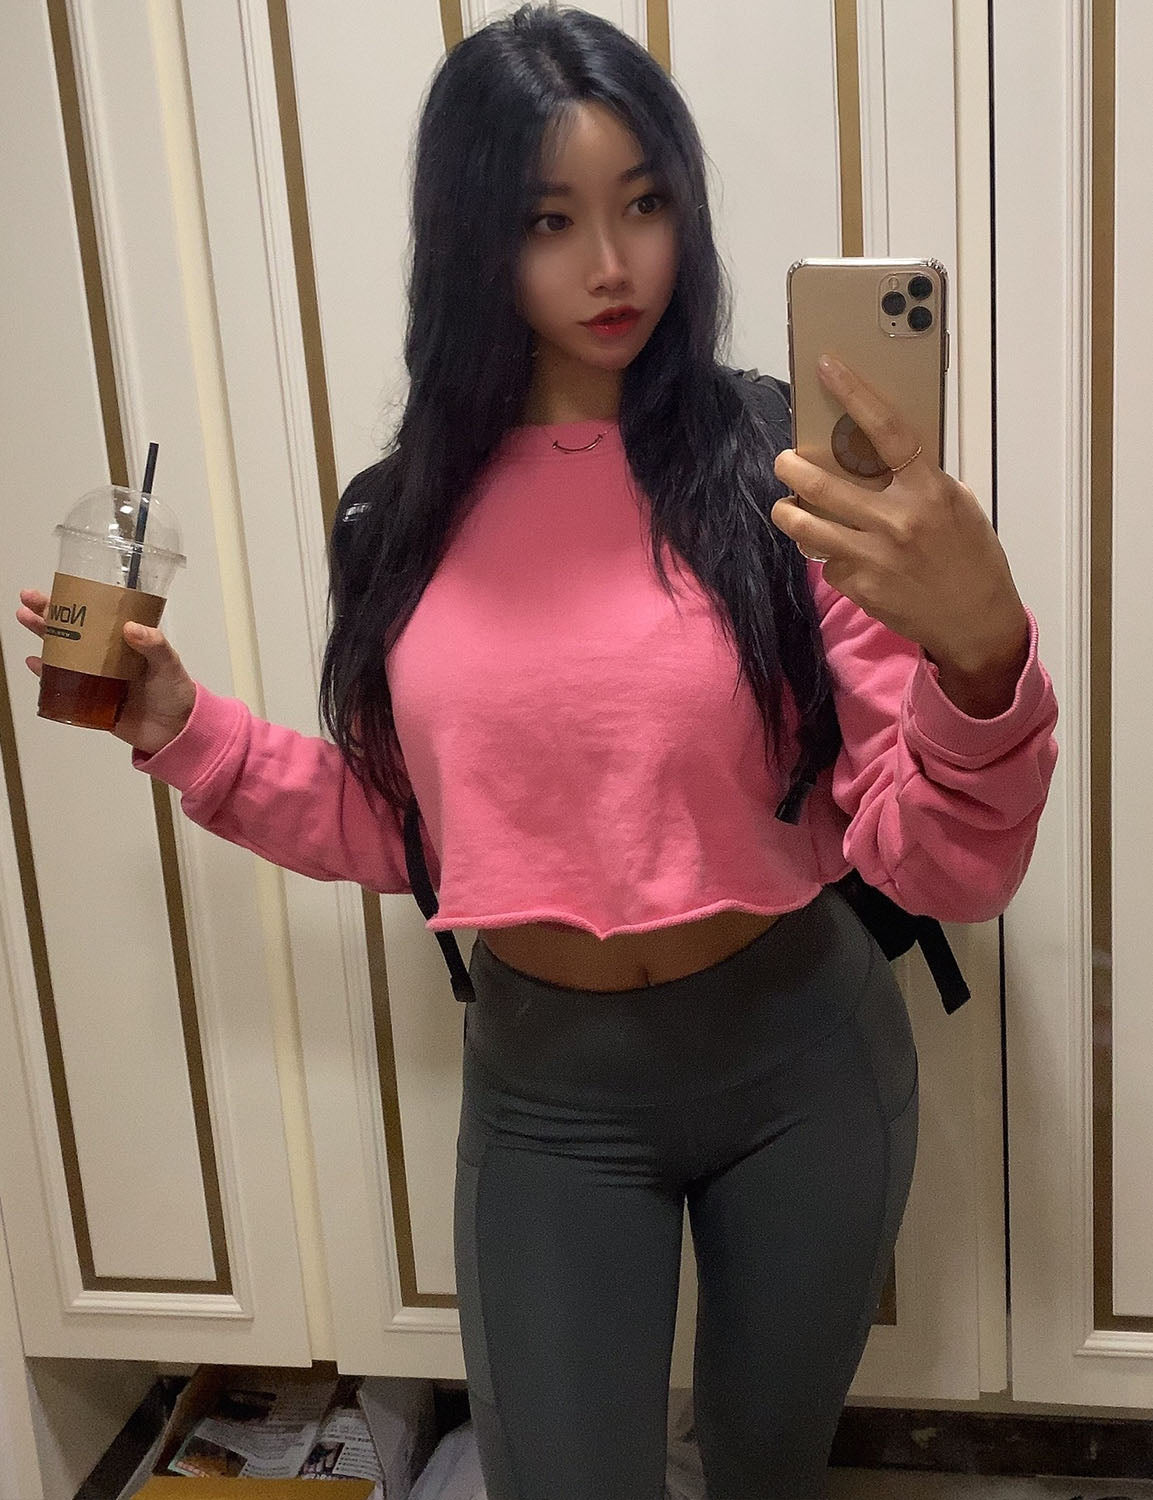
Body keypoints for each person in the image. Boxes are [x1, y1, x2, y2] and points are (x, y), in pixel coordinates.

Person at [17, 4, 1059, 1496]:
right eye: (549, 220)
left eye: (644, 203)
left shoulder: (772, 476)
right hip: (548, 1092)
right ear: (470, 242)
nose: (612, 264)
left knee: (766, 1473)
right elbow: (407, 832)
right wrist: (187, 734)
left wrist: (980, 656)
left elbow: (944, 865)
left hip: (802, 1057)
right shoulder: (401, 519)